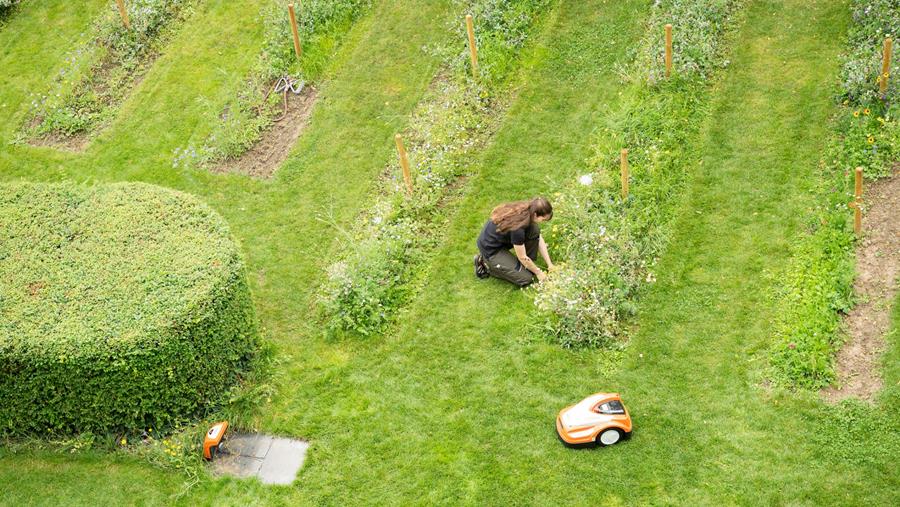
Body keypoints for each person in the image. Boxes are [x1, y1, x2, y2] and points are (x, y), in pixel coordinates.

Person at [474, 197, 555, 287]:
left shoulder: (527, 209)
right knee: (526, 278)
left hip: (501, 239)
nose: (542, 222)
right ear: (535, 214)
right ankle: (486, 265)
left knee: (534, 230)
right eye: (543, 219)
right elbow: (522, 257)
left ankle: (526, 265)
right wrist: (538, 272)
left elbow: (538, 238)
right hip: (491, 249)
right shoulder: (518, 229)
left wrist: (550, 264)